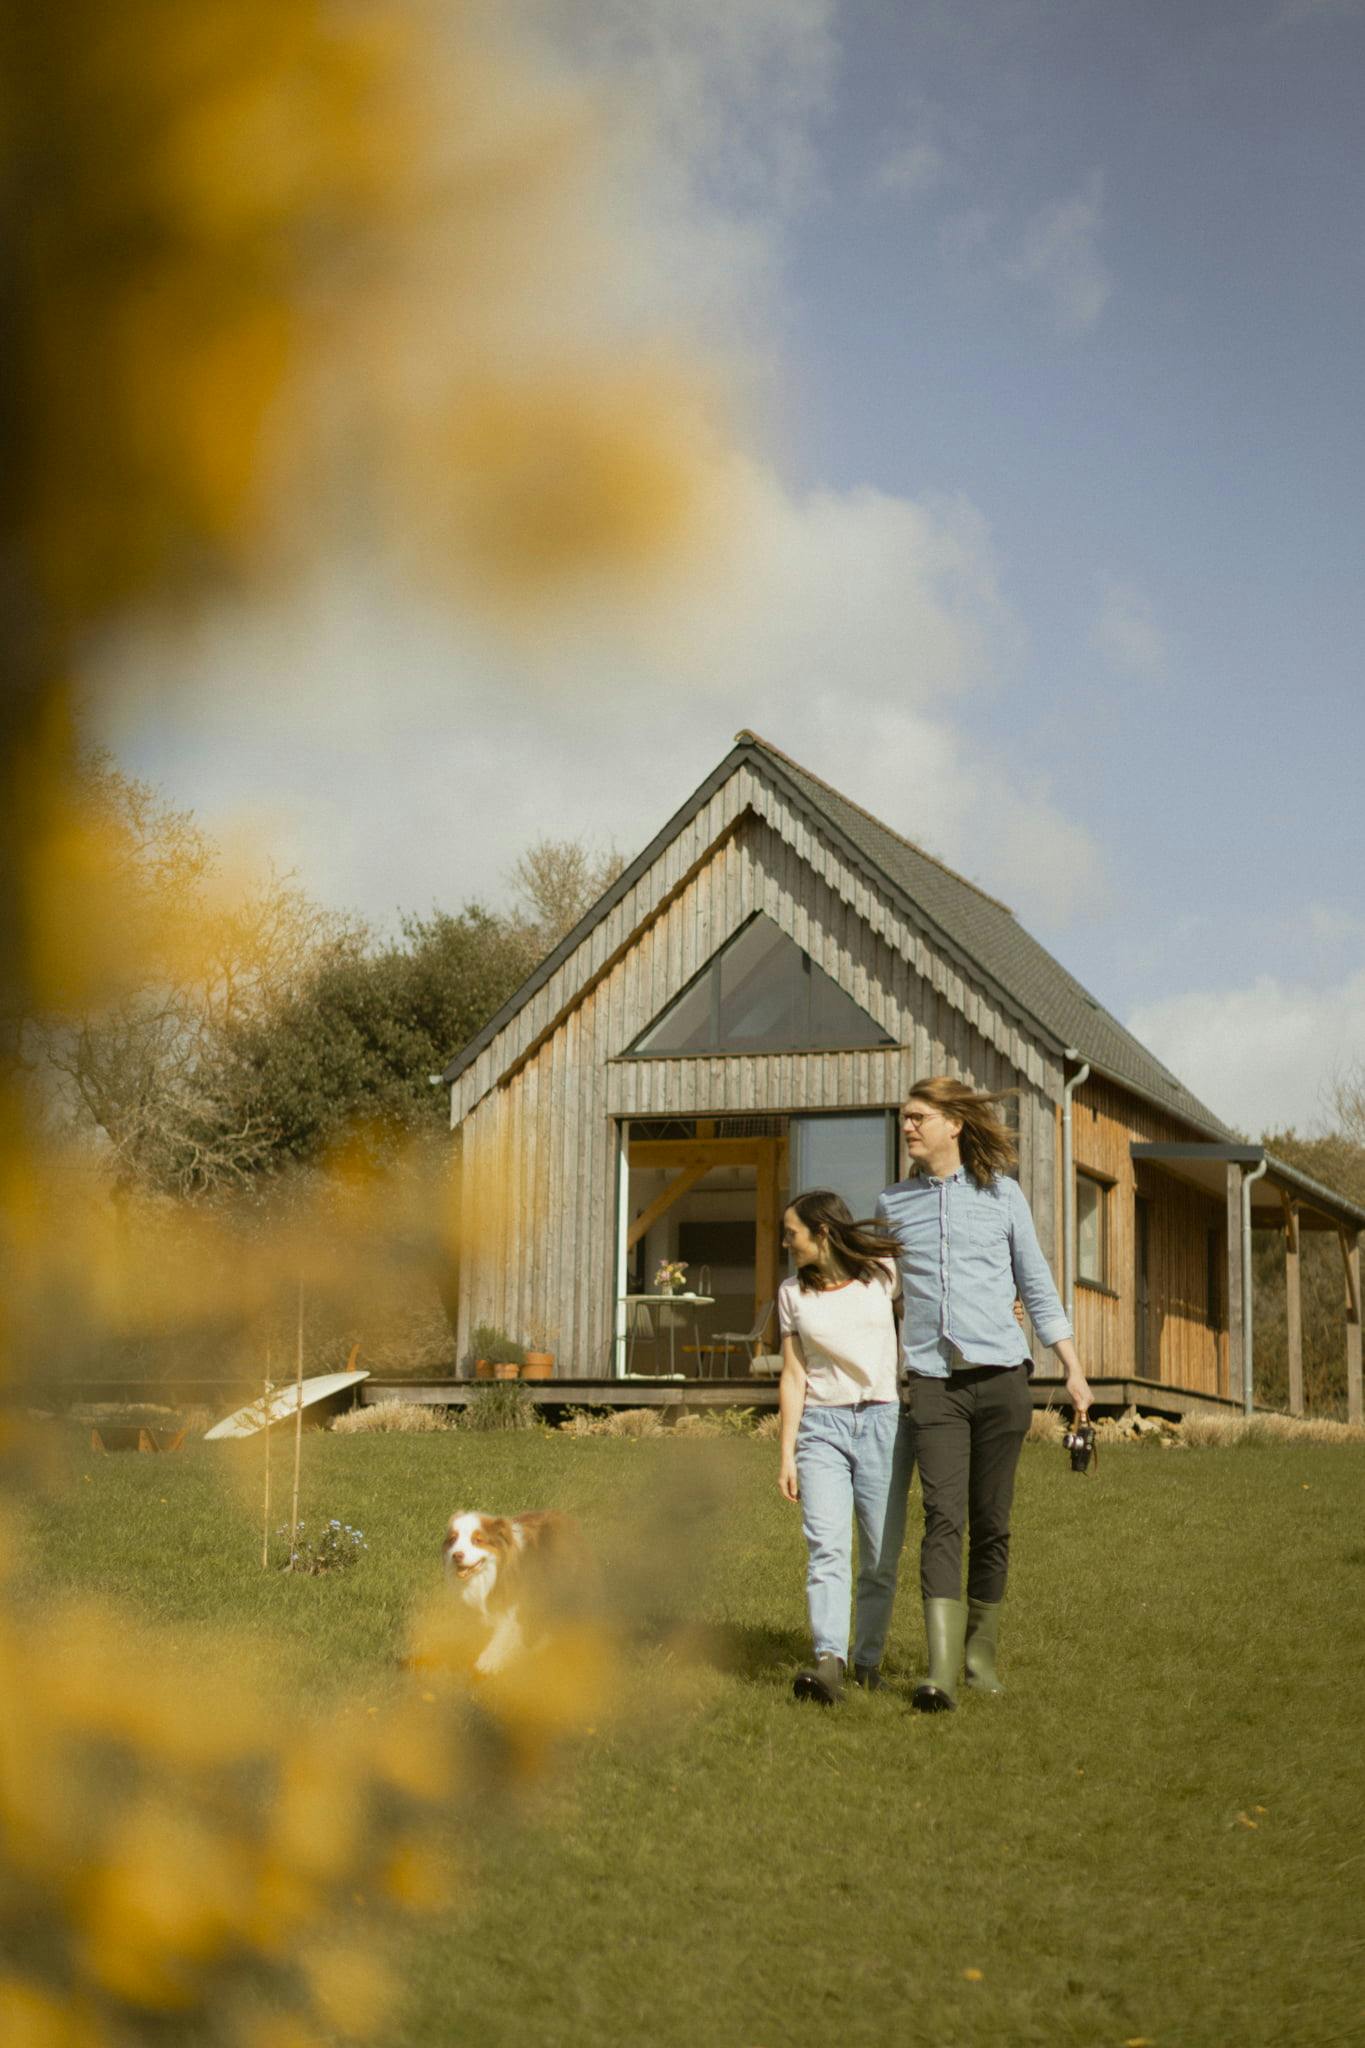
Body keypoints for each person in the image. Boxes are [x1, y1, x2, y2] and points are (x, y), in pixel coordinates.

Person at [875, 1077, 1092, 1712]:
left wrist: (1073, 1369)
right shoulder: (892, 1204)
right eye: (905, 1118)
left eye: (919, 1117)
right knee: (943, 1517)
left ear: (953, 1125)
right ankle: (939, 1671)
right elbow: (878, 1296)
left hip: (1002, 1381)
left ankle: (979, 1659)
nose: (908, 1127)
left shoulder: (1003, 1196)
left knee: (991, 1523)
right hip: (934, 1383)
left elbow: (1038, 1284)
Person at [776, 1189, 909, 1705]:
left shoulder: (882, 1274)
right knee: (827, 1548)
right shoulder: (793, 1293)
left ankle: (868, 1663)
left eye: (792, 1233)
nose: (786, 1243)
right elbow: (793, 1374)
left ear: (823, 1233)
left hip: (883, 1421)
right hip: (821, 1429)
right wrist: (786, 1453)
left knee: (878, 1555)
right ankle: (828, 1661)